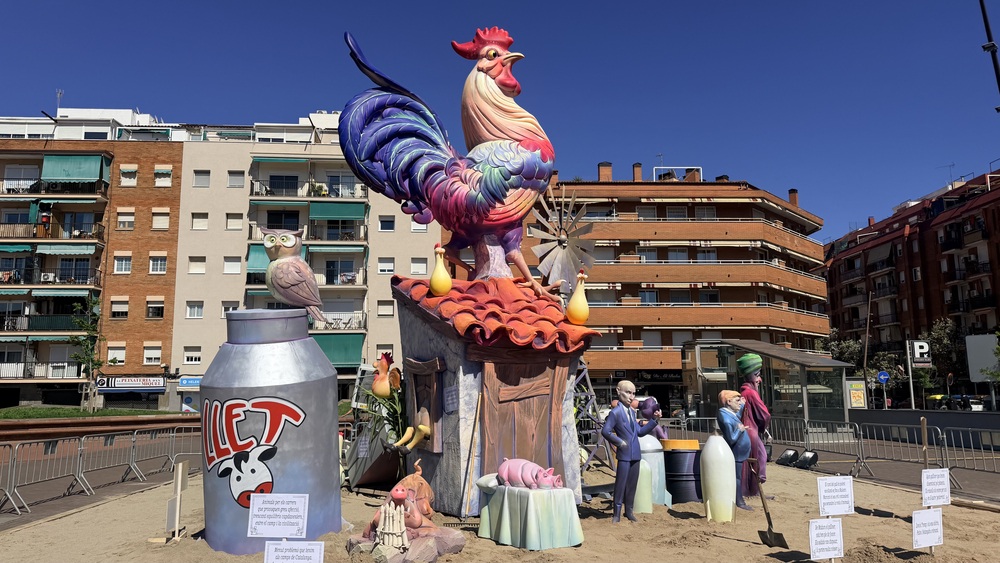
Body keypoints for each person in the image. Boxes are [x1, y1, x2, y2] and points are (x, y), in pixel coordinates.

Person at [601, 380, 659, 523]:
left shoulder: (632, 413)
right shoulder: (616, 412)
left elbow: (639, 432)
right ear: (618, 391)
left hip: (635, 453)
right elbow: (605, 431)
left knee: (632, 483)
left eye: (633, 393)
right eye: (628, 392)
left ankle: (629, 511)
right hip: (625, 453)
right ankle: (617, 513)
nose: (631, 396)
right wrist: (620, 442)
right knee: (621, 483)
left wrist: (654, 421)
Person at [738, 353, 771, 497]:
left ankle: (751, 489)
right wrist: (764, 427)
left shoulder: (743, 392)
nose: (760, 379)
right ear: (751, 376)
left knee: (750, 461)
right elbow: (764, 414)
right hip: (751, 431)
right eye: (757, 375)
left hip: (744, 431)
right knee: (760, 458)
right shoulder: (751, 393)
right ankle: (754, 489)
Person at [716, 390, 752, 511]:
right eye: (737, 401)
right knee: (736, 478)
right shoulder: (725, 418)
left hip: (740, 452)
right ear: (729, 401)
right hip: (736, 452)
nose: (739, 403)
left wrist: (742, 404)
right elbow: (731, 438)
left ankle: (739, 499)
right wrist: (740, 430)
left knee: (737, 477)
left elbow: (736, 415)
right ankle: (739, 501)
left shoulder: (729, 413)